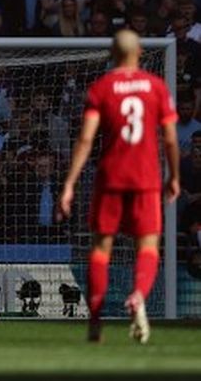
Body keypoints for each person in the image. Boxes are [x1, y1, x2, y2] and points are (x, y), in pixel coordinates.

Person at [56, 29, 180, 344]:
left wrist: (69, 183)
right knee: (148, 246)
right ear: (139, 51)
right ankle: (138, 295)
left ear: (112, 53)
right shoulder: (155, 87)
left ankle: (95, 321)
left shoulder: (102, 88)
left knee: (100, 250)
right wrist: (174, 176)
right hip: (146, 179)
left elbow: (86, 138)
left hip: (110, 177)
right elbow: (169, 137)